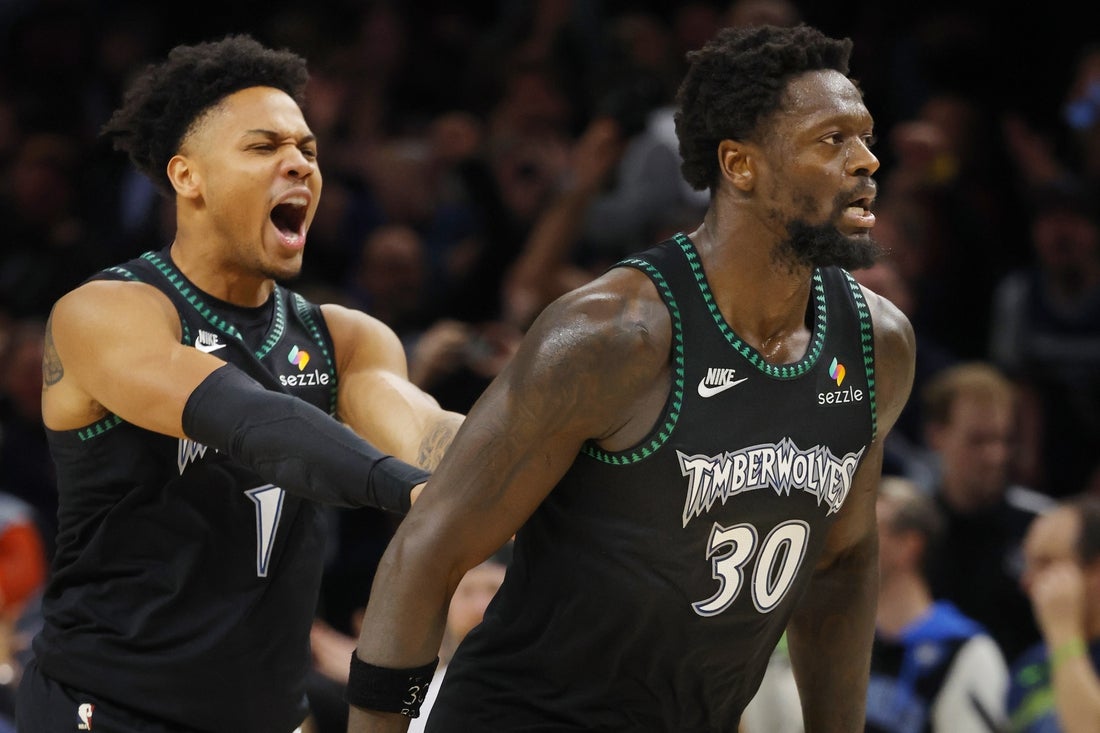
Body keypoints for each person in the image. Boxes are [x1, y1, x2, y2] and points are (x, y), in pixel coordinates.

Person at [348, 23, 916, 732]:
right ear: (740, 165)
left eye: (865, 136)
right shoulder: (614, 335)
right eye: (832, 139)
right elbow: (427, 549)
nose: (867, 160)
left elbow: (842, 561)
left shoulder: (876, 343)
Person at [14, 35, 463, 733]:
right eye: (264, 147)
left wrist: (533, 459)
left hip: (265, 715)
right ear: (187, 176)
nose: (299, 163)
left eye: (308, 149)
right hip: (108, 708)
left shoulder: (345, 338)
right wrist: (414, 491)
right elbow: (250, 419)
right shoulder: (107, 312)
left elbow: (429, 434)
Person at [921, 362, 1055, 664]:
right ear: (936, 436)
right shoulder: (912, 526)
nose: (995, 455)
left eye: (1003, 439)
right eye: (978, 440)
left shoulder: (1041, 526)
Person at [868, 475, 1008, 732]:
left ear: (909, 546)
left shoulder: (966, 650)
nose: (850, 543)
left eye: (869, 529)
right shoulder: (847, 637)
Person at [1007, 494, 1100, 732]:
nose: (1027, 581)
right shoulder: (1031, 665)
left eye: (1046, 564)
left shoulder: (1060, 644)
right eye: (1028, 563)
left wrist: (1064, 633)